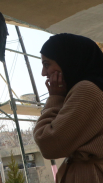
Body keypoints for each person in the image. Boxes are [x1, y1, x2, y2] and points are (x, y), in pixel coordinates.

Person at [33, 33, 103, 183]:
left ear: (68, 61)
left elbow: (48, 144)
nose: (44, 73)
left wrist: (55, 97)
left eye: (47, 64)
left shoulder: (87, 90)